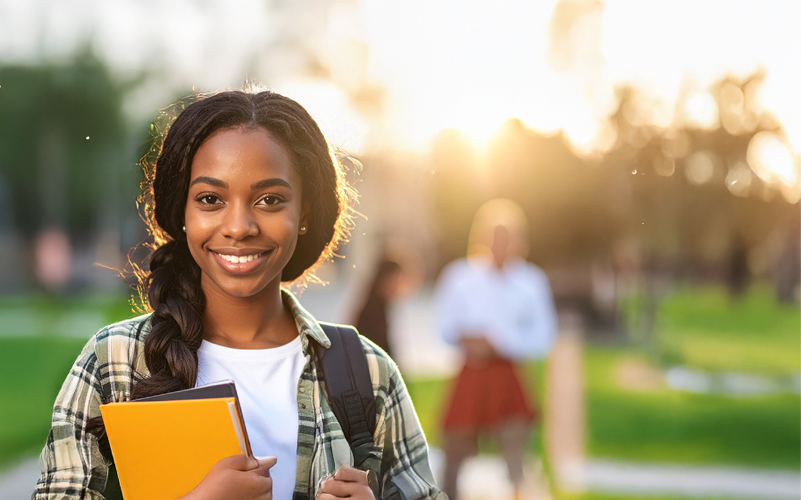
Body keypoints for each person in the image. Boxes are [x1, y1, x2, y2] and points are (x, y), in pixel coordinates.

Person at [33, 90, 446, 500]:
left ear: (304, 213)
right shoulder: (114, 361)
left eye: (270, 200)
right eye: (210, 199)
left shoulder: (366, 373)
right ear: (183, 211)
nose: (239, 226)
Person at [432, 199, 557, 500]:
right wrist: (468, 340)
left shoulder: (531, 281)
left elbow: (544, 336)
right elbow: (443, 326)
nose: (499, 244)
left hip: (509, 375)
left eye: (506, 237)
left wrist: (500, 342)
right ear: (482, 236)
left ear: (518, 240)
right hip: (470, 374)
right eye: (494, 236)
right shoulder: (459, 276)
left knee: (515, 455)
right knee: (453, 450)